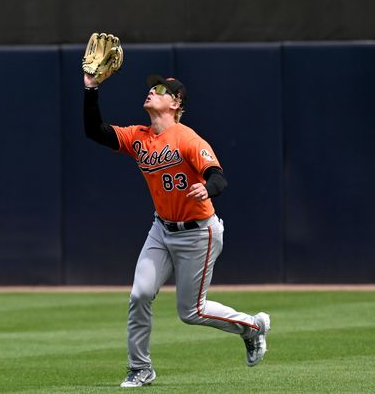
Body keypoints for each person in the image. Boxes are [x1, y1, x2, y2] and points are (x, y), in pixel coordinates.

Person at [83, 71, 270, 388]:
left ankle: (251, 327)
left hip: (199, 233)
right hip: (161, 229)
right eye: (151, 89)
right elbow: (95, 132)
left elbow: (218, 176)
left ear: (176, 101)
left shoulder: (187, 138)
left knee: (191, 311)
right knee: (140, 294)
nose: (151, 93)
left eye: (159, 90)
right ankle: (140, 368)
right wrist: (91, 89)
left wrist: (207, 189)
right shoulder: (139, 137)